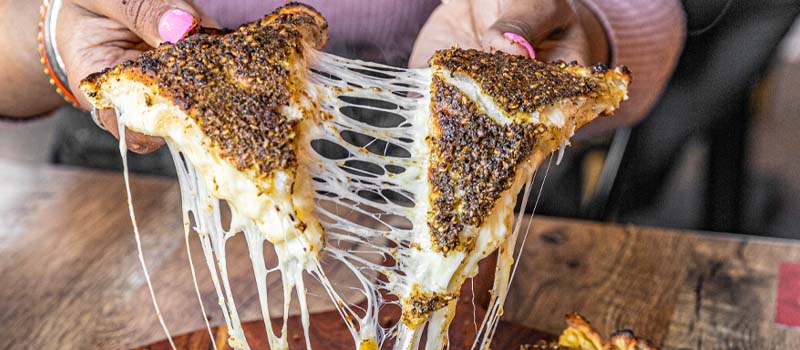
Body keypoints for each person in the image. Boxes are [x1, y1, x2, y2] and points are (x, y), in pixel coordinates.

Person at [0, 0, 685, 154]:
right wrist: (54, 32)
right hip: (130, 203)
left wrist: (577, 25)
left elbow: (647, 12)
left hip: (456, 146)